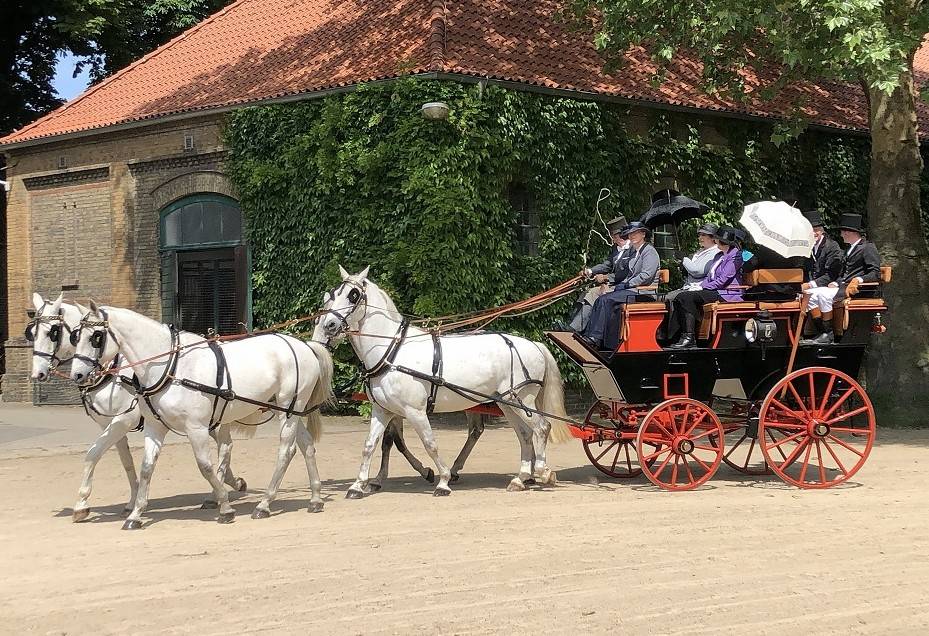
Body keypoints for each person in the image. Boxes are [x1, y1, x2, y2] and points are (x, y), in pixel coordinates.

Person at [579, 221, 660, 351]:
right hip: (632, 290)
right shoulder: (634, 252)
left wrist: (626, 284)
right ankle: (593, 336)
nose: (632, 236)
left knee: (606, 300)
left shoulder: (649, 251)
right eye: (630, 234)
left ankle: (595, 338)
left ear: (643, 234)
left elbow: (646, 275)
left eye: (635, 233)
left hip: (643, 292)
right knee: (602, 298)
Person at [802, 213, 880, 344]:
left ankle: (829, 334)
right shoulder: (849, 249)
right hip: (843, 286)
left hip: (856, 290)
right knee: (809, 294)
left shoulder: (868, 248)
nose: (841, 235)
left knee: (823, 295)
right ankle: (823, 330)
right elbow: (844, 273)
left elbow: (875, 273)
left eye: (843, 232)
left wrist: (859, 280)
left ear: (850, 232)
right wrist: (835, 282)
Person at [666, 226, 744, 349]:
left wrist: (702, 286)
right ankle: (674, 336)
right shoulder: (718, 255)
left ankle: (689, 337)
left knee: (685, 298)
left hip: (726, 293)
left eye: (716, 239)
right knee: (681, 297)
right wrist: (702, 285)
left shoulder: (735, 256)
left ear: (719, 241)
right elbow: (709, 276)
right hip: (714, 290)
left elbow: (722, 280)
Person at [560, 216, 630, 332]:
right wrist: (590, 271)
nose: (618, 238)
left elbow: (627, 272)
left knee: (593, 293)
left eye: (620, 235)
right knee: (585, 293)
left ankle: (575, 329)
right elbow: (607, 265)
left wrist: (607, 279)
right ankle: (573, 324)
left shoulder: (633, 250)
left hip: (626, 286)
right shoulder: (616, 249)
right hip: (616, 284)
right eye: (616, 236)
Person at [660, 223, 719, 341]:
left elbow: (697, 270)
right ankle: (664, 332)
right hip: (689, 286)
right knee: (664, 297)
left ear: (713, 238)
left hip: (701, 287)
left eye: (704, 235)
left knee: (673, 297)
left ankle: (674, 335)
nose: (700, 238)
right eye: (699, 235)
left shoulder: (715, 253)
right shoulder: (700, 252)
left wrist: (684, 259)